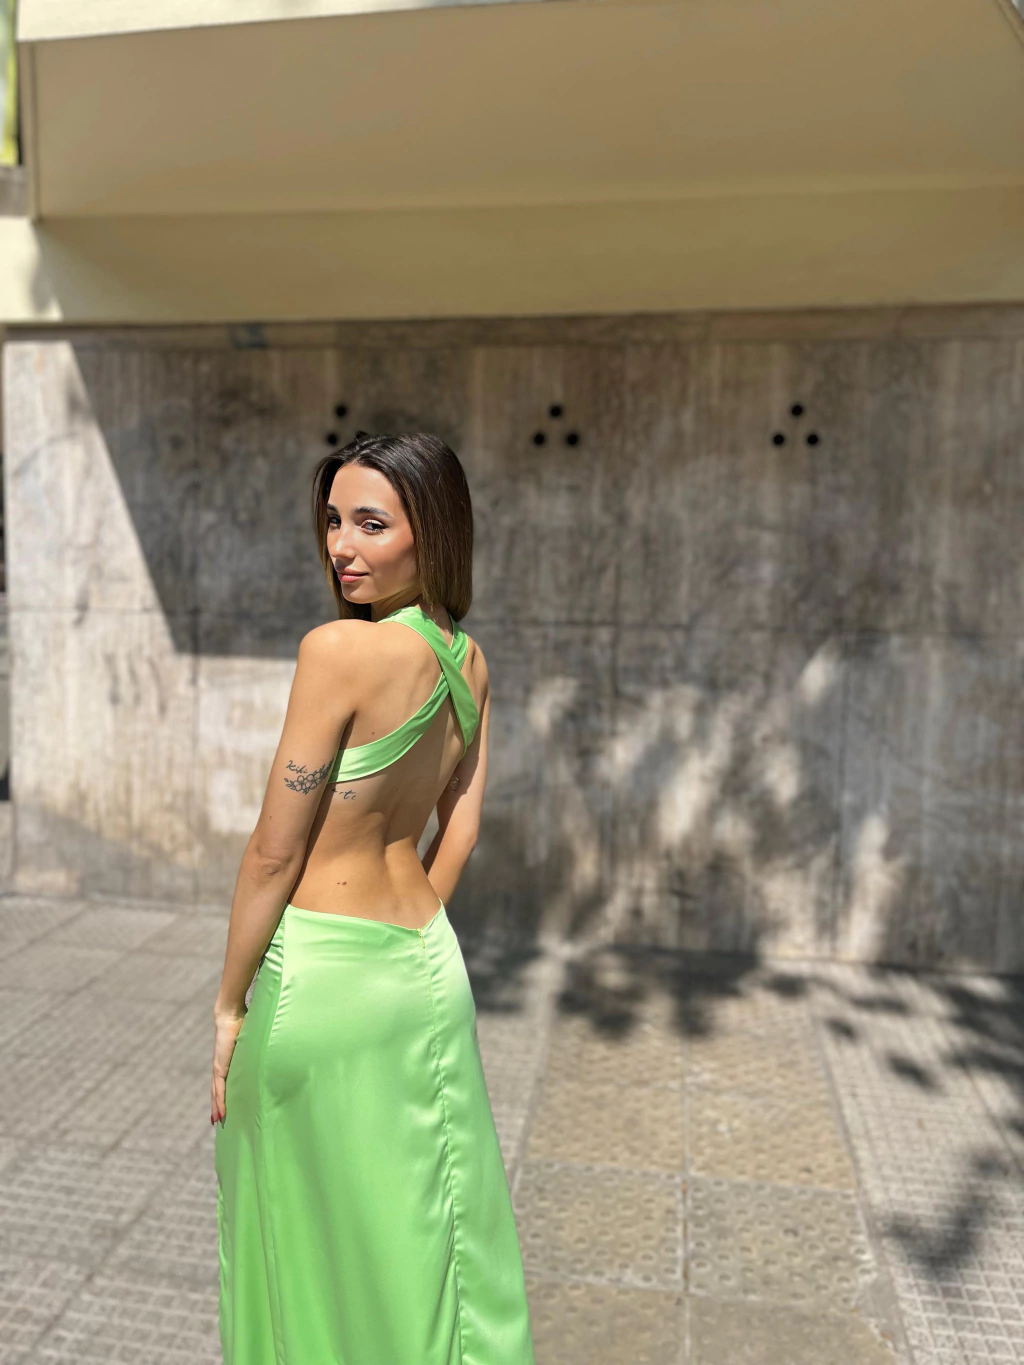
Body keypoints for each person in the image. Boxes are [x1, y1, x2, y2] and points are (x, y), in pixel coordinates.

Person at [210, 431, 536, 1364]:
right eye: (331, 521)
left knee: (303, 1241)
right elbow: (459, 833)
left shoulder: (338, 651)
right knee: (423, 1238)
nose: (341, 547)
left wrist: (229, 1005)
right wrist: (408, 939)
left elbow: (275, 852)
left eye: (370, 523)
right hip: (426, 968)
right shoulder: (468, 662)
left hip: (321, 979)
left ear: (432, 530)